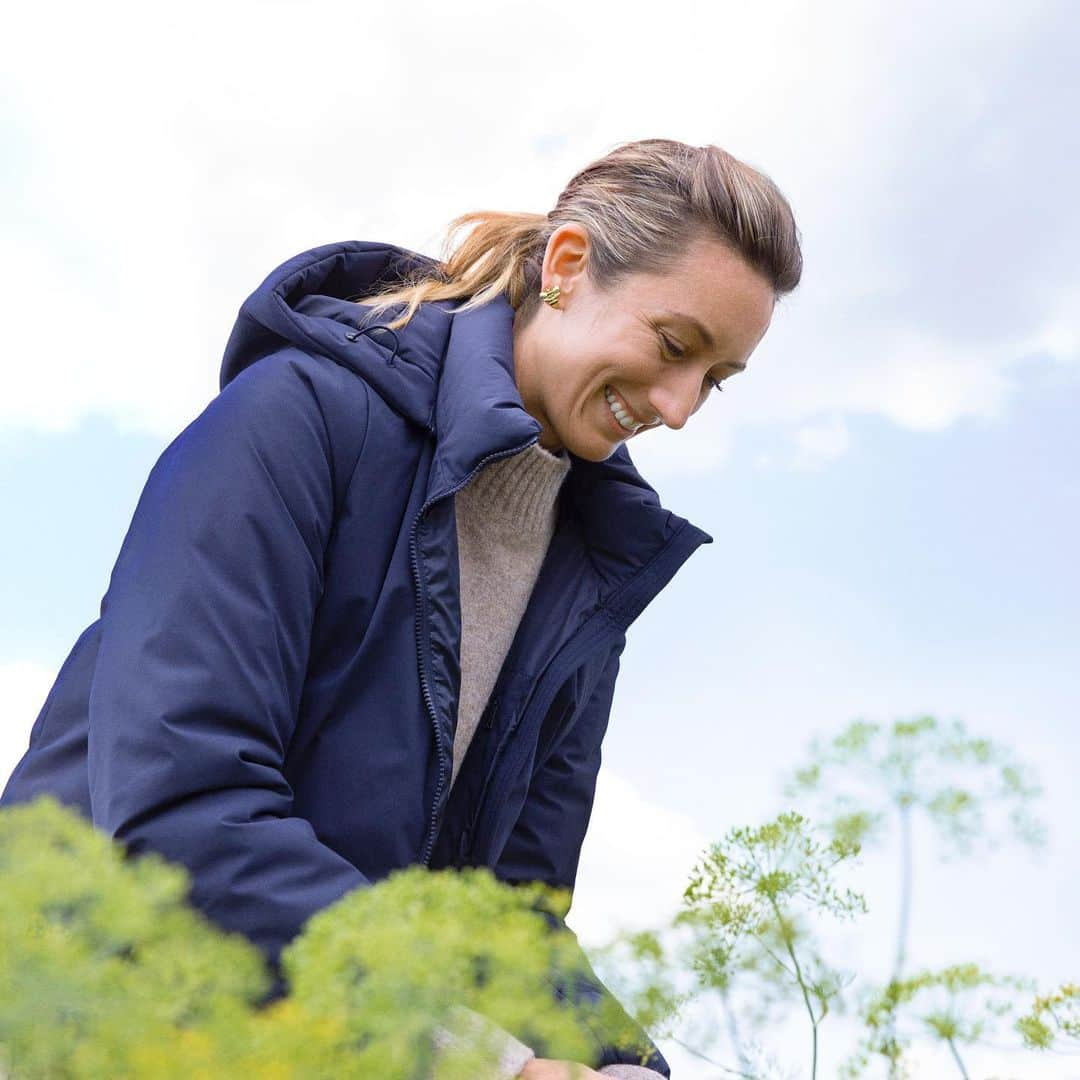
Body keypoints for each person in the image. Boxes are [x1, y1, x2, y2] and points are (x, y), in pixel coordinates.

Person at [1, 137, 801, 1077]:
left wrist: (627, 1065)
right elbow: (181, 810)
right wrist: (482, 1060)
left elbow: (510, 924)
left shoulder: (594, 564)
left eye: (714, 380)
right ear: (570, 266)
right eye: (675, 346)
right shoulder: (295, 420)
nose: (678, 406)